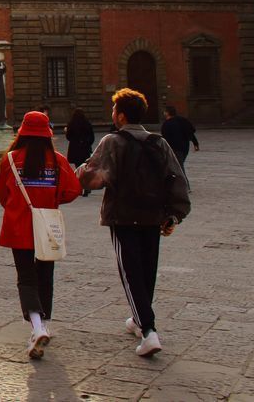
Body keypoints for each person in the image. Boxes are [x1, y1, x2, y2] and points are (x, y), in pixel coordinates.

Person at [78, 88, 191, 358]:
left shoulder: (112, 142)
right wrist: (174, 214)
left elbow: (91, 178)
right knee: (147, 270)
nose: (112, 114)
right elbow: (177, 179)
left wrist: (78, 172)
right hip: (153, 216)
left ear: (121, 116)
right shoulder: (158, 142)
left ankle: (149, 331)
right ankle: (138, 320)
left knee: (130, 273)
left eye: (114, 110)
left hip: (124, 215)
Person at [0, 111, 81, 360]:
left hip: (18, 225)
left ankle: (36, 326)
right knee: (45, 276)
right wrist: (52, 200)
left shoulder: (11, 160)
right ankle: (44, 323)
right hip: (47, 227)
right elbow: (72, 191)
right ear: (47, 135)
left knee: (25, 278)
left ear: (22, 132)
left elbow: (3, 194)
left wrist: (17, 208)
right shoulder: (57, 161)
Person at [160, 105, 199, 173]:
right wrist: (196, 143)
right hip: (185, 148)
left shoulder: (167, 124)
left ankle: (183, 183)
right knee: (178, 166)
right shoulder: (183, 120)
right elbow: (190, 132)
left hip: (174, 149)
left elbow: (165, 138)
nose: (164, 113)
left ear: (167, 113)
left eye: (164, 111)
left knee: (179, 169)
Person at [64, 109, 95, 195]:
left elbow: (68, 137)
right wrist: (87, 143)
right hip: (84, 149)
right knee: (85, 168)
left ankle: (80, 187)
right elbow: (92, 137)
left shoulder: (71, 124)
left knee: (78, 169)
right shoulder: (87, 123)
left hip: (75, 149)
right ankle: (87, 187)